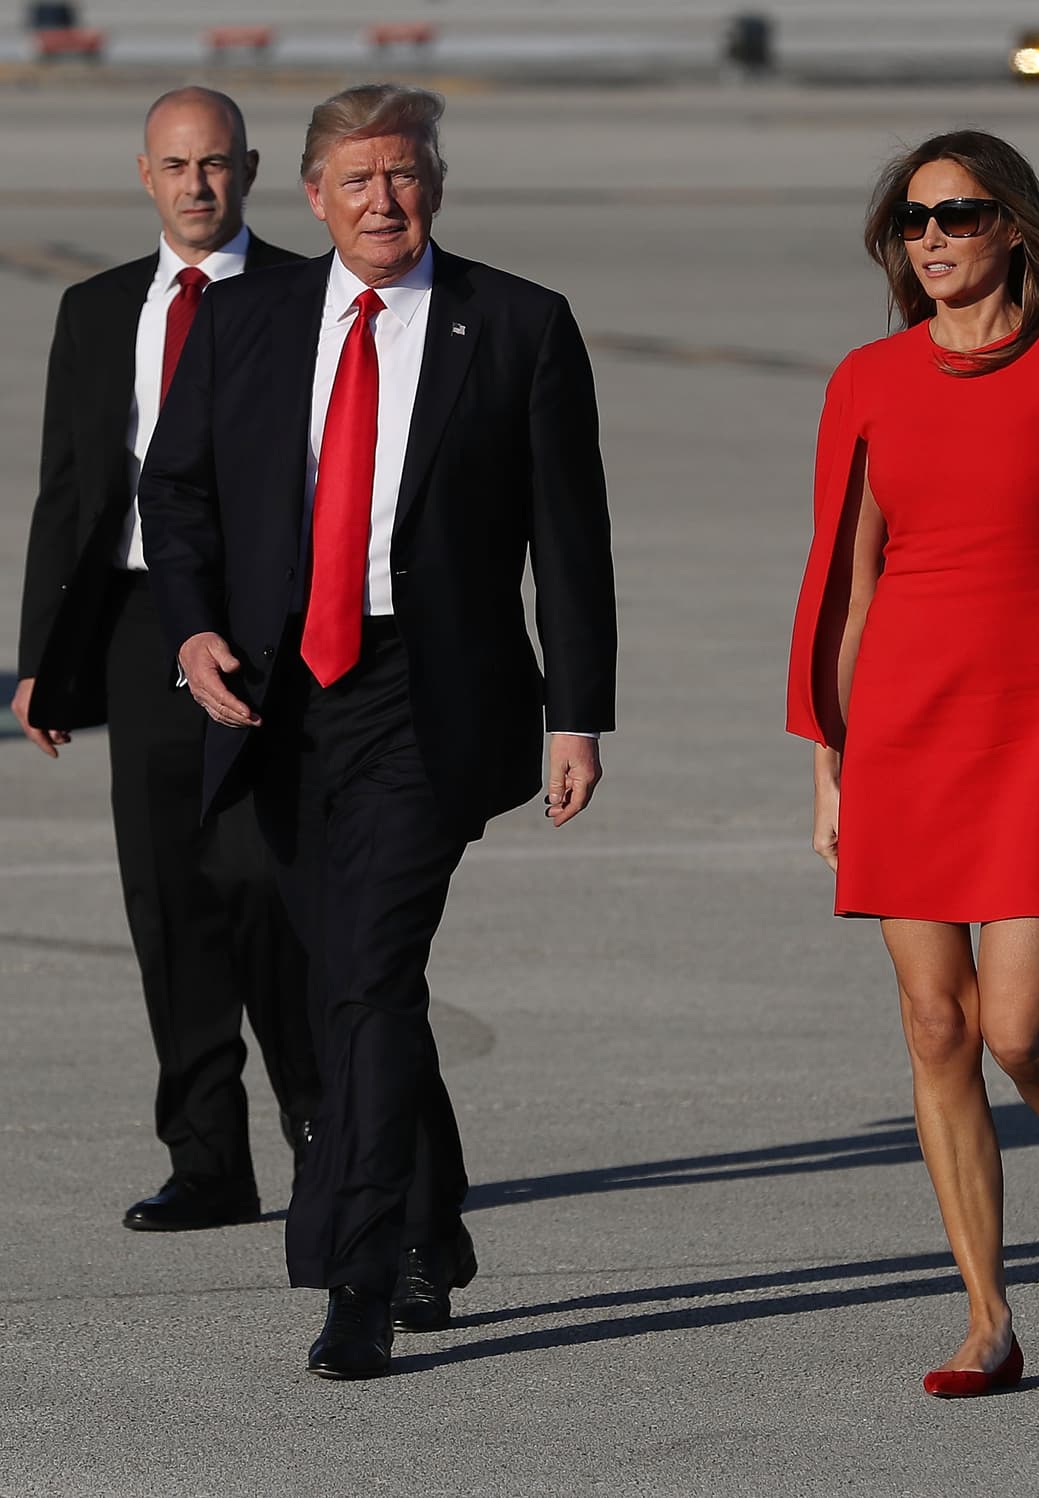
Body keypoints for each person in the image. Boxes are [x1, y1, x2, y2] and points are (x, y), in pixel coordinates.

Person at [138, 83, 617, 1380]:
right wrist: (189, 632)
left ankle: (360, 1268)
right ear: (312, 196)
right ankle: (436, 1217)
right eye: (358, 183)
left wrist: (577, 712)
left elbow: (569, 546)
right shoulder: (247, 320)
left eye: (405, 177)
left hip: (427, 692)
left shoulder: (516, 325)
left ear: (438, 185)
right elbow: (174, 494)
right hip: (281, 696)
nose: (385, 202)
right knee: (342, 971)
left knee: (367, 974)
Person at [786, 130, 1039, 1397]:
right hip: (903, 730)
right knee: (933, 1027)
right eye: (908, 221)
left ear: (1010, 226)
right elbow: (842, 582)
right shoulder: (866, 377)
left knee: (1018, 1029)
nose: (929, 239)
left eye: (957, 216)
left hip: (1037, 725)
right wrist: (829, 758)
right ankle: (986, 1317)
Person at [12, 87, 320, 1233]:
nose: (198, 186)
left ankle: (321, 1134)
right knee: (167, 895)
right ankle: (206, 1160)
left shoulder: (301, 296)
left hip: (258, 632)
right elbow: (68, 490)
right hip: (142, 626)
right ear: (145, 174)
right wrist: (43, 655)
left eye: (218, 165)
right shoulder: (97, 310)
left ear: (250, 171)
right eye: (176, 166)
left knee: (264, 886)